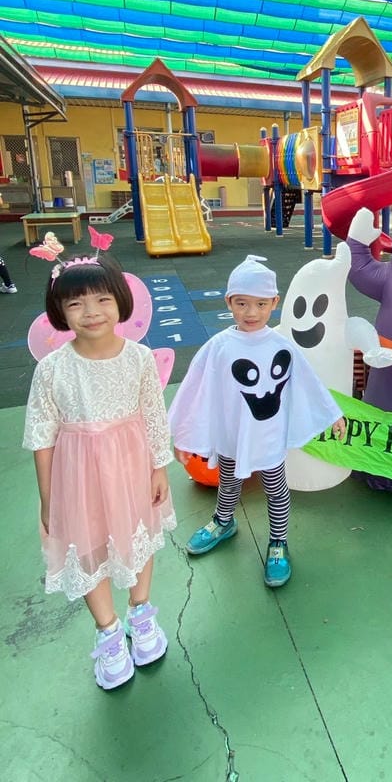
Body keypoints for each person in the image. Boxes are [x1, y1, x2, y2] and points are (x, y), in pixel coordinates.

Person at [23, 254, 175, 691]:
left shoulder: (139, 358)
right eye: (76, 303)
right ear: (59, 311)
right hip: (78, 476)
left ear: (121, 302)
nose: (91, 312)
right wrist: (49, 498)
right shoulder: (52, 368)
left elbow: (153, 415)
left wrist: (159, 467)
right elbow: (41, 436)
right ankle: (108, 631)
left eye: (102, 299)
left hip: (131, 467)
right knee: (87, 548)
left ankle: (140, 613)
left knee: (138, 536)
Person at [169, 255, 347, 587]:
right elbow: (195, 389)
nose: (251, 312)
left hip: (269, 437)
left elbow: (307, 382)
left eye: (261, 304)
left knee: (275, 489)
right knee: (228, 481)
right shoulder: (218, 347)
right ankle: (223, 522)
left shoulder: (282, 346)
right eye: (242, 303)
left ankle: (278, 543)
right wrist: (183, 433)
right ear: (229, 302)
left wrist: (331, 412)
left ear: (274, 303)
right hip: (231, 435)